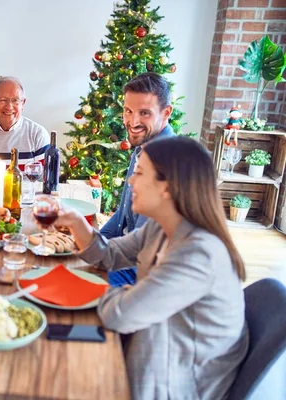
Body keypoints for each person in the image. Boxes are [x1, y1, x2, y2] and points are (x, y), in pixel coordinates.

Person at [54, 137, 248, 399]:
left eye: (139, 173)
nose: (131, 181)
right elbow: (110, 256)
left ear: (167, 187)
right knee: (50, 337)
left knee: (51, 368)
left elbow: (121, 315)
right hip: (149, 346)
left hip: (172, 383)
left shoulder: (199, 254)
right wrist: (77, 223)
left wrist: (123, 293)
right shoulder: (161, 226)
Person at [101, 72, 176, 286]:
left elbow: (143, 250)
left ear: (166, 112)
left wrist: (96, 258)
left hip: (145, 275)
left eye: (144, 113)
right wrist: (95, 239)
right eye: (128, 111)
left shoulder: (168, 162)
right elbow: (123, 216)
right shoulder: (142, 149)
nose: (133, 122)